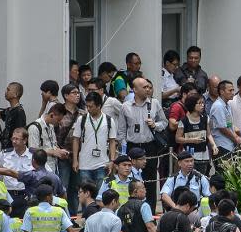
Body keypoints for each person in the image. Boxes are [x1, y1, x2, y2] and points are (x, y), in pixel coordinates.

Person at [117, 77, 168, 211]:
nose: (147, 89)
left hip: (149, 146)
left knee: (150, 180)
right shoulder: (125, 106)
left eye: (148, 87)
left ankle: (149, 211)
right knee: (131, 179)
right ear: (135, 89)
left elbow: (164, 122)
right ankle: (131, 209)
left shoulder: (154, 103)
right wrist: (123, 151)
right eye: (144, 87)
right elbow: (121, 131)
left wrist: (155, 125)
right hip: (132, 146)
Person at [72, 91, 117, 190]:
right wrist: (75, 160)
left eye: (91, 106)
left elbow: (112, 142)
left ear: (99, 106)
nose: (88, 109)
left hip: (102, 164)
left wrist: (112, 161)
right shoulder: (82, 119)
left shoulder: (109, 120)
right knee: (86, 194)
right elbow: (76, 139)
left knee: (101, 195)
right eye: (87, 106)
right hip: (84, 164)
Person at [56, 84, 83, 214]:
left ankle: (72, 216)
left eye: (78, 93)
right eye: (74, 93)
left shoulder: (83, 113)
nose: (77, 95)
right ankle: (63, 215)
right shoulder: (58, 112)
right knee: (63, 187)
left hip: (78, 156)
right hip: (62, 156)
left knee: (76, 188)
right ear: (66, 95)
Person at [175, 93, 216, 176]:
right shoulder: (184, 121)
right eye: (199, 103)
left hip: (203, 154)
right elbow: (178, 138)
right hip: (189, 155)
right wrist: (192, 140)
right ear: (192, 104)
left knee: (202, 177)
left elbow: (208, 134)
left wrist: (213, 145)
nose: (202, 105)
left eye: (203, 103)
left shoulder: (205, 118)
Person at [0, 149, 65, 199]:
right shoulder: (55, 177)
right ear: (46, 160)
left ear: (33, 161)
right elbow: (63, 194)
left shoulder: (31, 175)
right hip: (52, 212)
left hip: (34, 210)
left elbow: (10, 172)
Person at [27, 103, 68, 174]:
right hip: (41, 170)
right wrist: (53, 152)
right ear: (51, 115)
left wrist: (60, 152)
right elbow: (32, 149)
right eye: (58, 120)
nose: (59, 123)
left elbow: (53, 145)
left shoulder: (51, 126)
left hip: (53, 168)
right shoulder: (34, 127)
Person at [0, 82, 26, 150]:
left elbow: (20, 134)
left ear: (15, 94)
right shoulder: (9, 110)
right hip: (6, 148)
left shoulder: (19, 112)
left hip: (13, 150)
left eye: (8, 90)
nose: (6, 92)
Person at [209, 80, 241, 161]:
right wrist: (236, 138)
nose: (233, 93)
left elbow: (229, 125)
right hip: (221, 145)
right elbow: (222, 128)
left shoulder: (227, 105)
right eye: (230, 90)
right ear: (222, 92)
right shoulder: (218, 106)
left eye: (233, 90)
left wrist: (236, 135)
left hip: (228, 145)